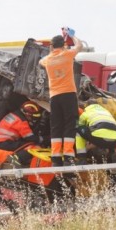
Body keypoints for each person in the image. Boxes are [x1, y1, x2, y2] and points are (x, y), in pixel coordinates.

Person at [38, 28, 83, 166]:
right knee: (70, 124)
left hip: (55, 97)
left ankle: (56, 157)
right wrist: (72, 36)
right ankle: (68, 156)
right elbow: (80, 46)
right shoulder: (68, 54)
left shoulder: (47, 60)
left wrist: (51, 50)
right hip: (68, 94)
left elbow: (40, 62)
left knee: (56, 126)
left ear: (52, 46)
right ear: (63, 45)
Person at [0, 101, 45, 166]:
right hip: (4, 143)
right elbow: (30, 138)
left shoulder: (14, 115)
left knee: (24, 143)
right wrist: (44, 139)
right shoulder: (21, 121)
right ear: (27, 114)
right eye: (33, 116)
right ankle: (17, 159)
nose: (33, 119)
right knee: (33, 147)